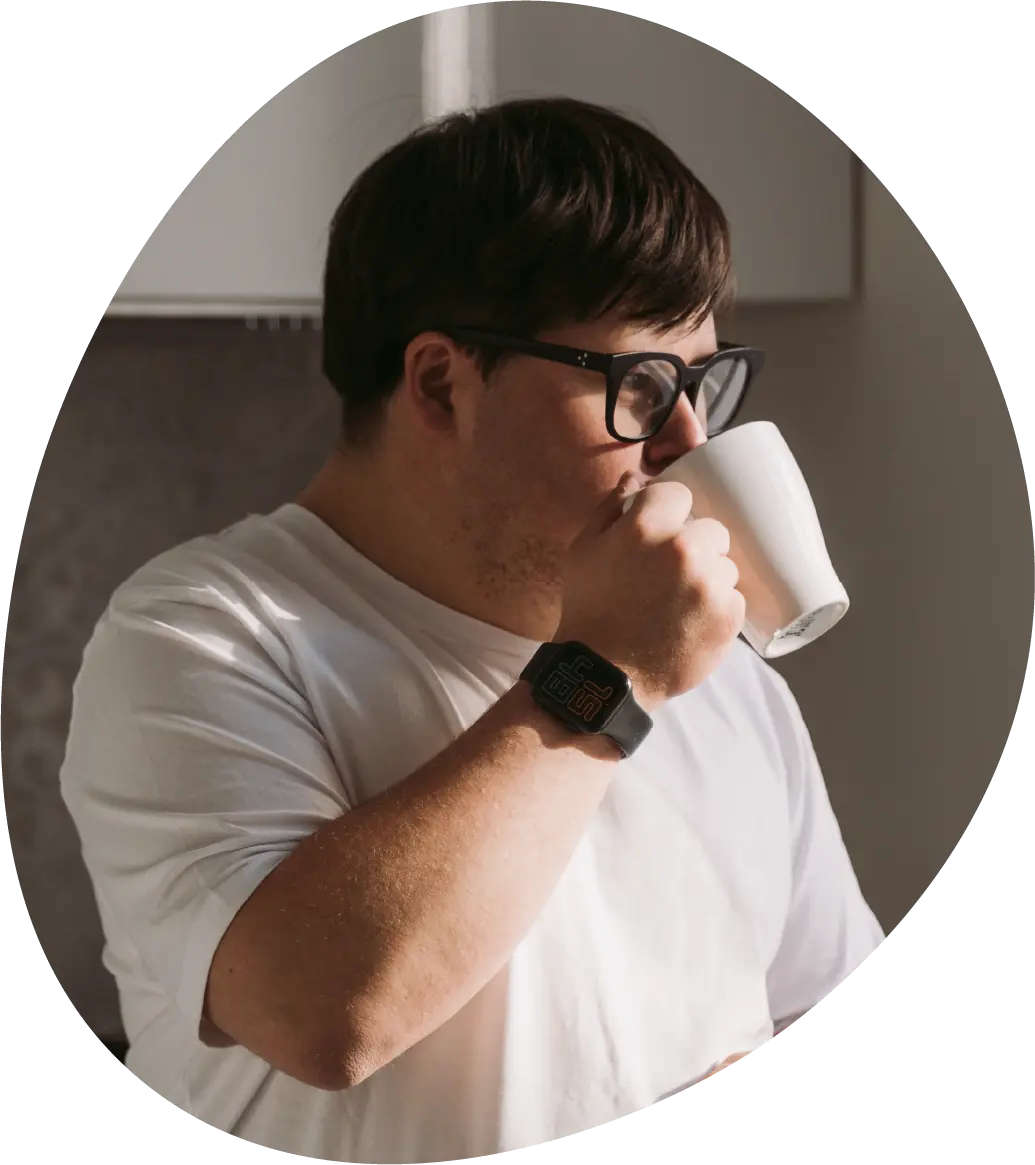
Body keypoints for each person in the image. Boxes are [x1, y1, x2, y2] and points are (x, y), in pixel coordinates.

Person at [60, 96, 883, 1162]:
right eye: (640, 384)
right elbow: (323, 1015)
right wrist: (609, 669)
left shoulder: (723, 674)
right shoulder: (200, 638)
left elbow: (805, 991)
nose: (687, 437)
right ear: (443, 384)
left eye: (702, 382)